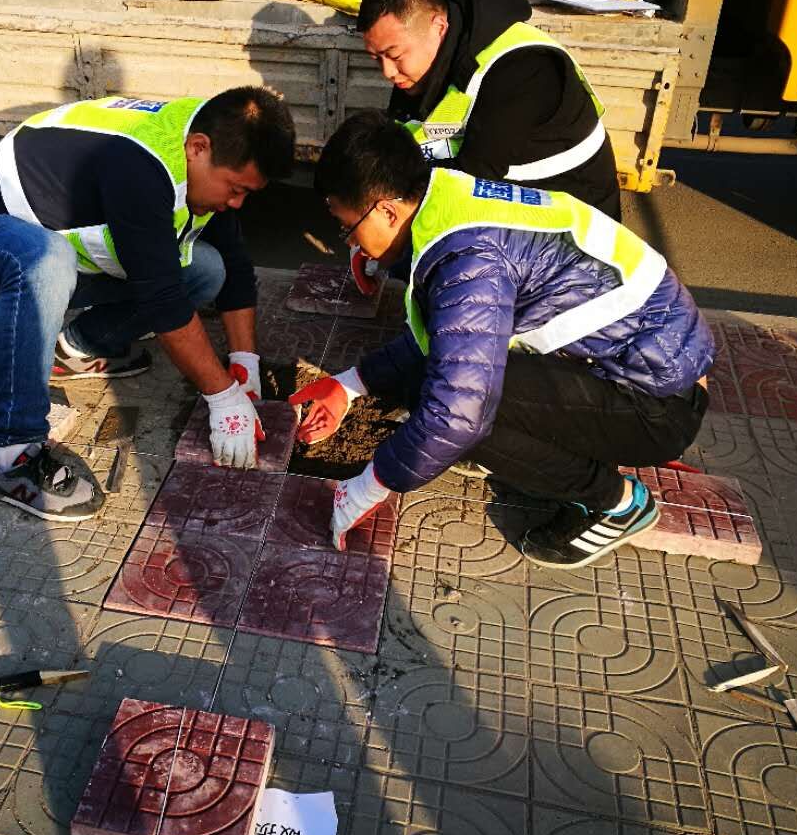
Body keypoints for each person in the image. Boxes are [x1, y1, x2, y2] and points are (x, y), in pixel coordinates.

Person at [290, 111, 714, 568]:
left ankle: (618, 503)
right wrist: (349, 385)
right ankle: (578, 456)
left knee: (464, 418)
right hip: (644, 366)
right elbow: (450, 336)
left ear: (386, 210)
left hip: (659, 406)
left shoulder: (469, 257)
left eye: (348, 228)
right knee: (450, 388)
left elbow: (459, 416)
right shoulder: (449, 200)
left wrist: (365, 487)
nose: (352, 245)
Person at [0, 88, 295, 522]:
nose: (236, 202)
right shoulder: (142, 167)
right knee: (47, 261)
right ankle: (9, 455)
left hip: (57, 257)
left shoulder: (208, 137)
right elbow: (162, 300)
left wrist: (244, 362)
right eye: (236, 189)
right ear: (198, 148)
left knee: (206, 270)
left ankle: (76, 348)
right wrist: (223, 396)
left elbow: (234, 263)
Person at [357, 0, 623, 221]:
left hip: (570, 223)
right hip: (512, 207)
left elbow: (469, 185)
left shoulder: (522, 70)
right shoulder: (423, 66)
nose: (387, 72)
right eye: (376, 58)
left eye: (394, 55)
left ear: (439, 27)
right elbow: (401, 142)